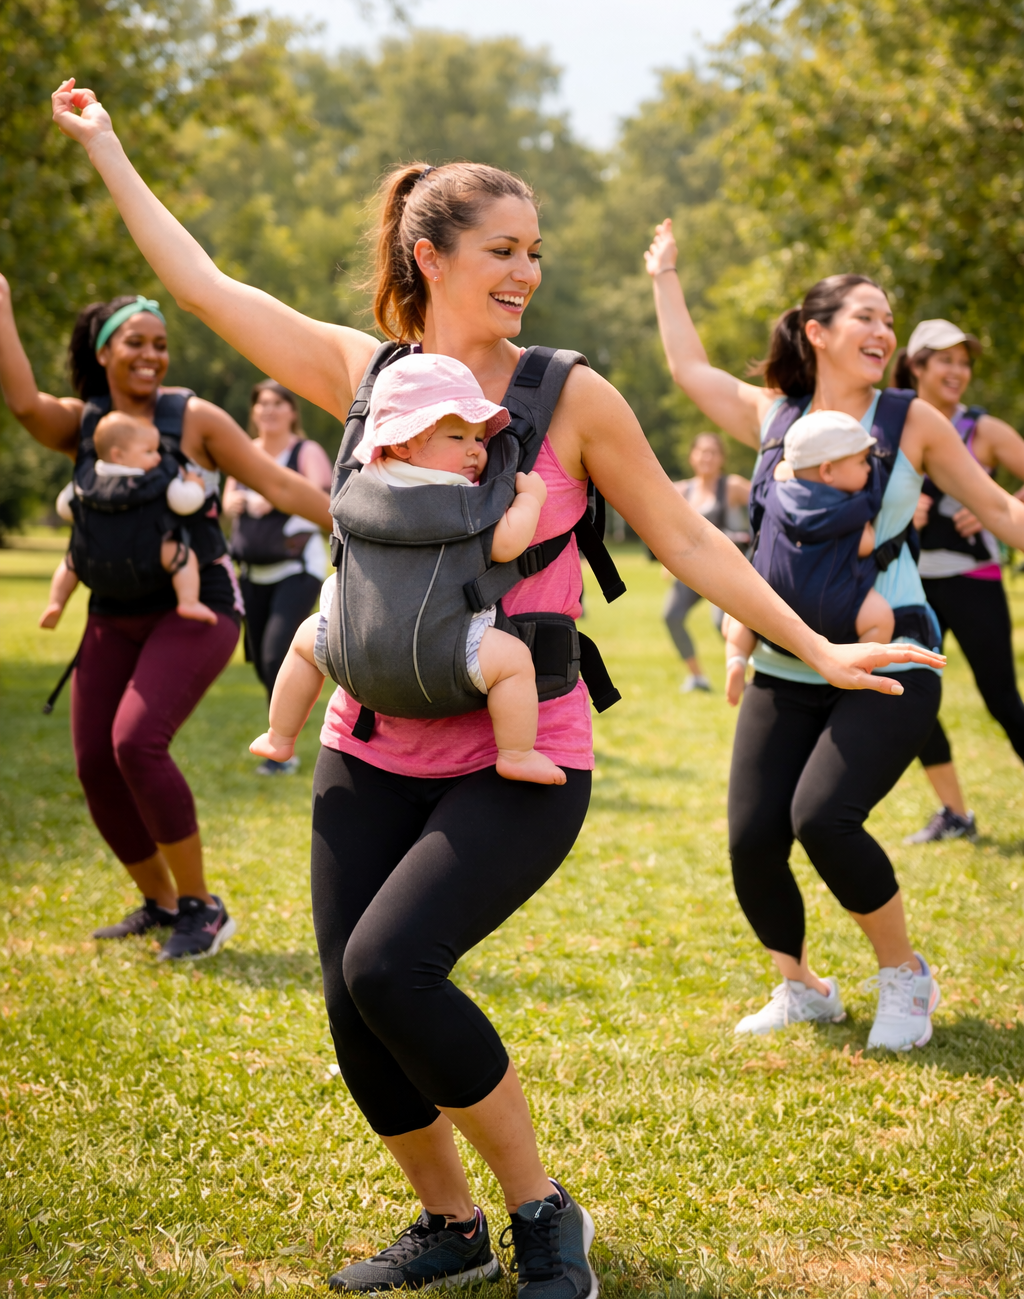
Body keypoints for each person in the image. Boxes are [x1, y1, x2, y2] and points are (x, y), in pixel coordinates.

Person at [51, 76, 939, 1297]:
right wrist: (107, 147)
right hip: (366, 738)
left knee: (389, 968)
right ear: (429, 255)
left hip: (521, 751)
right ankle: (448, 1226)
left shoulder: (569, 396)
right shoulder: (369, 375)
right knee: (353, 1007)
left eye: (535, 251)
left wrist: (817, 648)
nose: (526, 271)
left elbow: (687, 537)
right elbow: (203, 284)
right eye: (502, 250)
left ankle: (542, 1213)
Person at [646, 216, 1024, 1051]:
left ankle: (905, 975)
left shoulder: (911, 419)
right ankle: (804, 987)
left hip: (892, 652)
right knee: (753, 839)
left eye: (889, 320)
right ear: (817, 332)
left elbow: (1002, 511)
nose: (884, 332)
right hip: (788, 663)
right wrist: (665, 274)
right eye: (866, 316)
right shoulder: (774, 414)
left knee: (823, 817)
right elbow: (689, 370)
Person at [0, 278, 333, 960]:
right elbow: (25, 403)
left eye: (161, 344)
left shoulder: (195, 419)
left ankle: (203, 908)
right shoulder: (85, 424)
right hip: (112, 612)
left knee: (135, 742)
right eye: (136, 343)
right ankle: (161, 901)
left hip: (196, 607)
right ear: (103, 352)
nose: (152, 355)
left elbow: (277, 484)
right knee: (96, 764)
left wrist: (368, 528)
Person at [251, 352, 566, 786]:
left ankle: (280, 735)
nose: (476, 450)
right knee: (513, 662)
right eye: (457, 436)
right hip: (445, 652)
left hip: (352, 647)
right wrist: (529, 499)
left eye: (479, 438)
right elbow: (507, 545)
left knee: (306, 641)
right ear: (402, 443)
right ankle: (517, 753)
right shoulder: (460, 498)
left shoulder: (362, 485)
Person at [894, 319, 1024, 842]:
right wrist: (902, 511)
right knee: (912, 695)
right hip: (910, 583)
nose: (958, 371)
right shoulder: (892, 422)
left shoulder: (982, 429)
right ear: (917, 366)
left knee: (1001, 698)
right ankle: (954, 814)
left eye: (964, 362)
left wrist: (1002, 504)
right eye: (945, 360)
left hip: (974, 580)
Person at [720, 411, 895, 706]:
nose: (868, 468)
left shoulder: (774, 494)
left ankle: (736, 659)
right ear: (827, 472)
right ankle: (858, 673)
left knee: (739, 615)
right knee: (881, 618)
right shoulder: (849, 507)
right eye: (862, 461)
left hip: (771, 608)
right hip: (832, 611)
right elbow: (866, 545)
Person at [223, 379, 332, 775]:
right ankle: (281, 735)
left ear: (291, 411)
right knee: (260, 662)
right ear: (253, 411)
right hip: (252, 572)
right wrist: (234, 501)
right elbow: (227, 496)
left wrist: (280, 495)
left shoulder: (305, 451)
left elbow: (324, 497)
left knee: (275, 655)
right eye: (262, 403)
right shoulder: (244, 450)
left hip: (296, 569)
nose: (268, 409)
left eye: (277, 403)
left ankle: (283, 748)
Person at [40, 411, 217, 629]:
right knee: (183, 556)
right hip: (145, 556)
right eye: (149, 451)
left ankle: (56, 603)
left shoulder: (87, 480)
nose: (158, 457)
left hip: (93, 559)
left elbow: (64, 508)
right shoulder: (156, 480)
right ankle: (189, 601)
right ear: (118, 455)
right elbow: (186, 502)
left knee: (71, 562)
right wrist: (194, 483)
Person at [663, 432, 750, 691]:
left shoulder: (732, 486)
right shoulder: (681, 490)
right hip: (692, 571)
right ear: (692, 456)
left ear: (722, 458)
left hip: (724, 571)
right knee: (671, 616)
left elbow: (769, 505)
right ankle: (697, 677)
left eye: (713, 452)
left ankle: (749, 675)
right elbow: (668, 528)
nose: (707, 457)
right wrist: (667, 560)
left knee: (721, 623)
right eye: (702, 451)